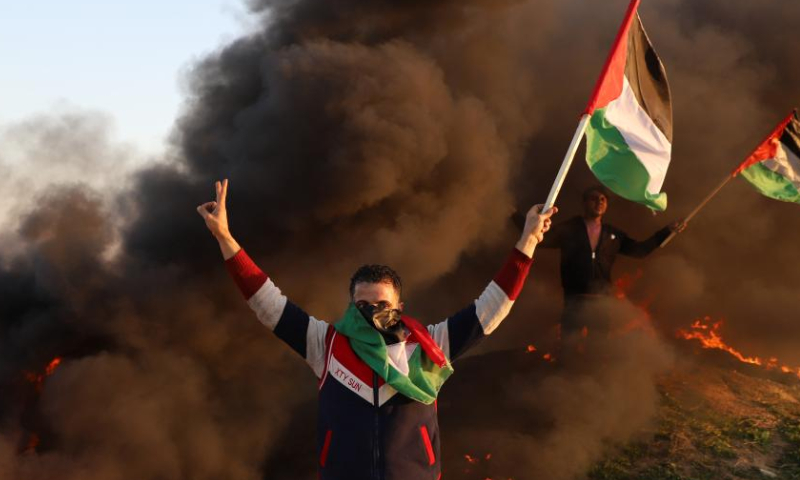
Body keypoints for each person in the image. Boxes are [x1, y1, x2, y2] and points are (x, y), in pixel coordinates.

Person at [196, 179, 556, 480]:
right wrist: (225, 238)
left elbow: (492, 306)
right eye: (362, 305)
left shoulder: (429, 345)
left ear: (400, 308)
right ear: (351, 305)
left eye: (381, 306)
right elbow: (267, 302)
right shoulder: (326, 343)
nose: (370, 313)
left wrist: (528, 240)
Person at [537, 185, 685, 337]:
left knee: (599, 350)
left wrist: (666, 231)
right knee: (568, 350)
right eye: (594, 198)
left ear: (606, 204)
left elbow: (639, 251)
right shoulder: (570, 229)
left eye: (603, 199)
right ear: (584, 203)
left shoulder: (613, 234)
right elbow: (538, 239)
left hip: (602, 303)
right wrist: (516, 215)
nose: (599, 202)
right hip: (574, 301)